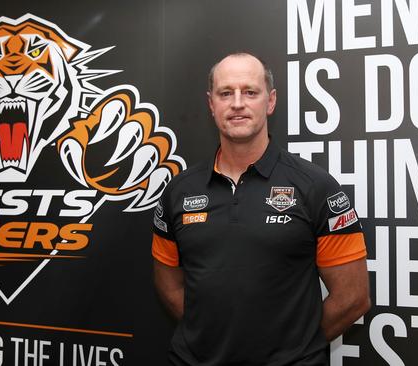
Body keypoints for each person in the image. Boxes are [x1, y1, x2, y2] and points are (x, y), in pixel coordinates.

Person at [151, 52, 371, 365]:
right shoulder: (178, 191)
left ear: (270, 102)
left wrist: (294, 351)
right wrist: (211, 335)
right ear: (211, 104)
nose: (237, 103)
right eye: (226, 93)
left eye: (250, 92)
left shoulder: (316, 187)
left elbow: (353, 299)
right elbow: (169, 287)